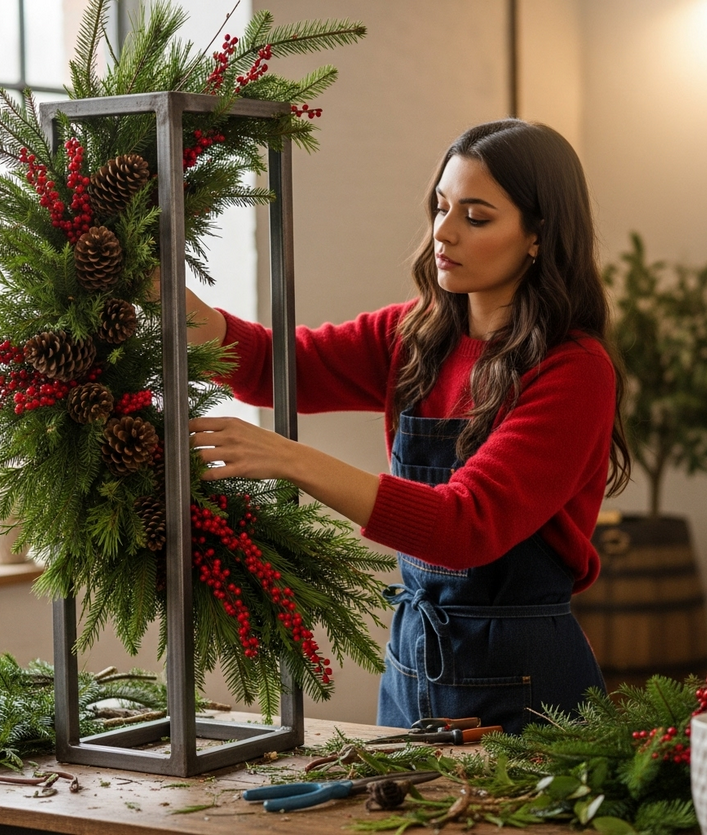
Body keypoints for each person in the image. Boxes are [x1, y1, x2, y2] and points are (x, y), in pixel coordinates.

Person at [186, 118, 631, 734]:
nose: (443, 232)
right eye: (441, 207)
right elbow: (267, 365)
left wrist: (291, 458)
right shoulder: (414, 335)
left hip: (528, 686)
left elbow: (464, 526)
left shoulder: (574, 370)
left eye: (476, 217)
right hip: (412, 665)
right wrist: (158, 286)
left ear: (538, 235)